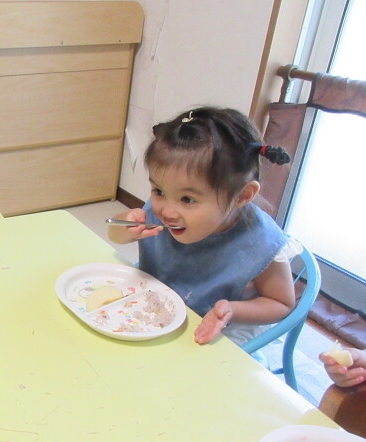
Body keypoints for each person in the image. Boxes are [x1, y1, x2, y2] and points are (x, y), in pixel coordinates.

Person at [108, 107, 297, 347]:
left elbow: (281, 304)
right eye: (158, 191)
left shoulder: (261, 241)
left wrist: (232, 309)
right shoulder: (166, 208)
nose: (167, 211)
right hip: (158, 307)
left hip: (221, 327)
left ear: (243, 196)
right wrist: (127, 226)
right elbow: (113, 234)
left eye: (188, 199)